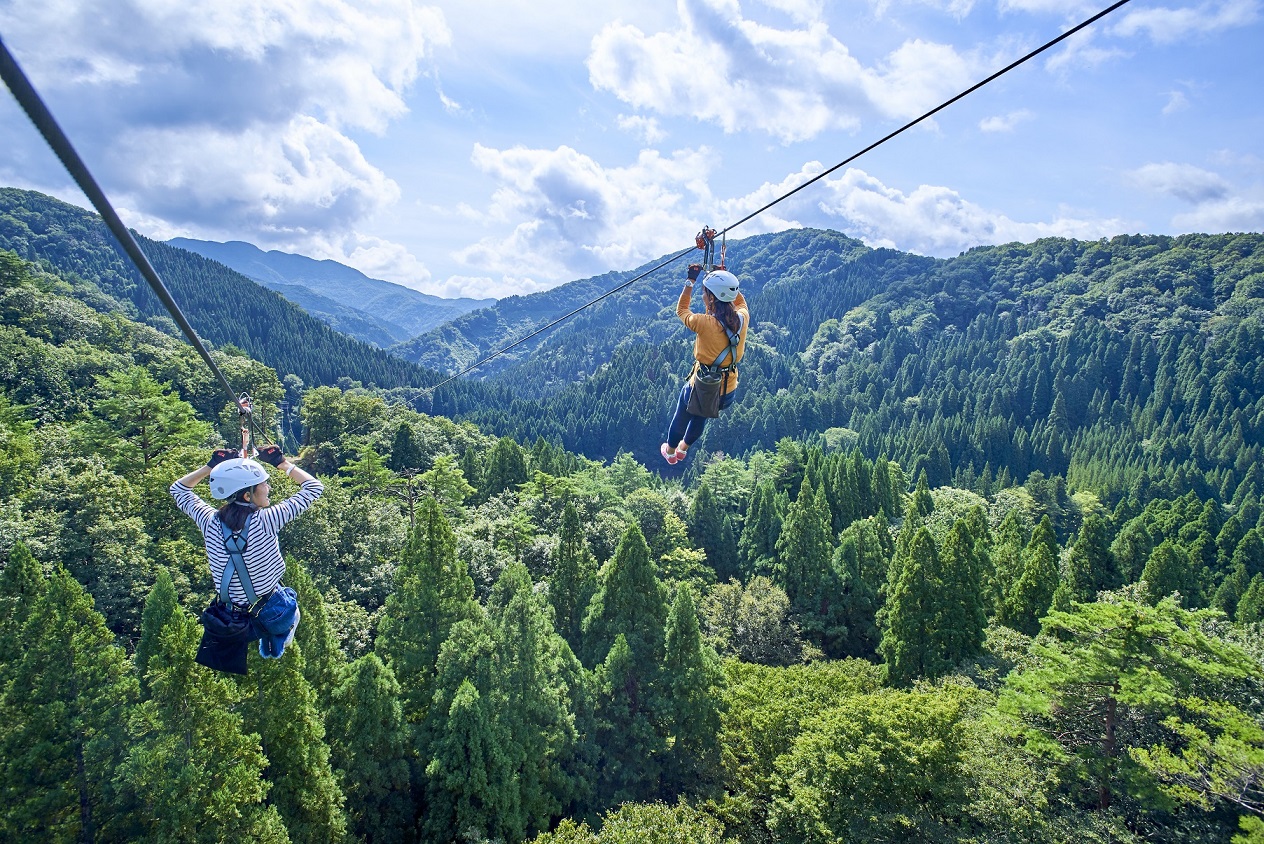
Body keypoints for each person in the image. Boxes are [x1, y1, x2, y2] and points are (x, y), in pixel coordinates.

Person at [170, 445, 323, 660]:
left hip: (230, 618)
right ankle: (276, 640)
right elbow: (314, 487)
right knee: (289, 597)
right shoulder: (267, 520)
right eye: (263, 484)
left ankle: (270, 636)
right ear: (247, 494)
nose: (268, 488)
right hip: (273, 614)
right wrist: (282, 464)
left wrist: (211, 467)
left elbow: (178, 490)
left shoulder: (209, 521)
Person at [661, 263, 749, 464]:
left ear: (711, 298)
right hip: (727, 391)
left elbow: (682, 310)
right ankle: (684, 449)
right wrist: (724, 278)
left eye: (705, 293)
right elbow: (738, 299)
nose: (703, 296)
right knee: (701, 416)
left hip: (701, 385)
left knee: (681, 416)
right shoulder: (743, 317)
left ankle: (672, 451)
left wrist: (690, 280)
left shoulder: (704, 323)